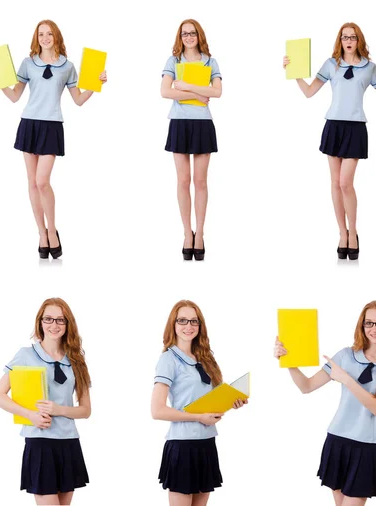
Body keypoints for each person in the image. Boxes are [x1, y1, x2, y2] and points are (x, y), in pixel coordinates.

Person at [283, 23, 376, 260]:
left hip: (355, 128)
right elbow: (309, 92)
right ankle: (341, 233)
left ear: (359, 40)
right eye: (344, 37)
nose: (348, 40)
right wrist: (294, 73)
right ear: (340, 40)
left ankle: (353, 232)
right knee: (335, 183)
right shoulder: (331, 65)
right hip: (333, 125)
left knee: (346, 183)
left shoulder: (369, 68)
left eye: (352, 37)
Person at [0, 20, 107, 259]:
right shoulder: (28, 63)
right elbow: (14, 96)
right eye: (41, 34)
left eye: (49, 33)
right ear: (36, 38)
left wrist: (97, 84)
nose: (45, 38)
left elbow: (79, 100)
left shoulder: (67, 66)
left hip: (51, 125)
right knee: (32, 183)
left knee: (43, 181)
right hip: (29, 123)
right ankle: (41, 234)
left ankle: (52, 230)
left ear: (56, 36)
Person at [274, 300, 376, 505]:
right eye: (369, 323)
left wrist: (345, 378)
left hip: (366, 446)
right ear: (361, 326)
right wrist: (289, 362)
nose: (374, 328)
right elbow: (307, 386)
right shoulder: (346, 355)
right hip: (337, 441)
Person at [0, 298, 91, 505]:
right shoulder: (26, 355)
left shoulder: (76, 360)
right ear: (40, 322)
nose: (54, 325)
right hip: (40, 442)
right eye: (48, 319)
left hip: (68, 442)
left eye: (60, 320)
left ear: (68, 324)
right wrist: (30, 415)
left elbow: (85, 410)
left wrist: (59, 409)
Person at [152, 300, 247, 505]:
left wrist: (231, 402)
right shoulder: (169, 360)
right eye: (182, 320)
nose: (189, 326)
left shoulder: (206, 358)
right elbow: (157, 410)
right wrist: (199, 417)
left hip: (206, 443)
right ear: (173, 325)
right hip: (183, 445)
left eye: (194, 321)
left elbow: (211, 402)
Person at [161, 20, 222, 261]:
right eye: (184, 33)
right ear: (180, 36)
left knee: (200, 181)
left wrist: (184, 85)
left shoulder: (210, 61)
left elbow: (217, 92)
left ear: (199, 35)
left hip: (202, 124)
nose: (188, 37)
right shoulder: (173, 61)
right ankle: (187, 233)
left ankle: (201, 234)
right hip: (179, 122)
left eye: (192, 33)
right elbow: (165, 92)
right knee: (183, 180)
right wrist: (197, 92)